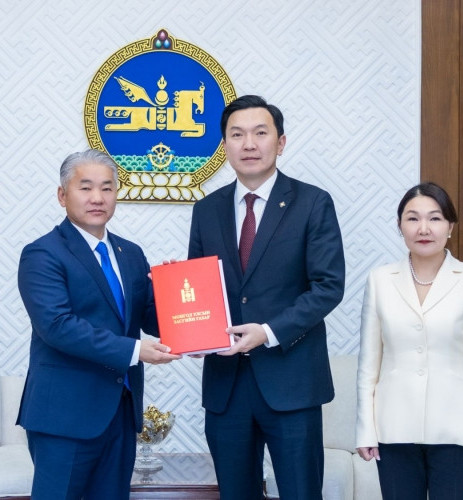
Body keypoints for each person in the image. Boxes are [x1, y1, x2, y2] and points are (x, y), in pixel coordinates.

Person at [188, 94, 345, 499]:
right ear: (225, 145)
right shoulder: (206, 210)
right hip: (226, 386)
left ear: (281, 142)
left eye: (260, 133)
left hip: (292, 382)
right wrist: (189, 324)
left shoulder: (312, 203)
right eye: (237, 135)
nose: (249, 144)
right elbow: (201, 290)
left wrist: (268, 332)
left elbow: (328, 286)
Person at [17, 149, 181, 500]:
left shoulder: (131, 253)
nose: (97, 198)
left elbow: (149, 317)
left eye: (107, 188)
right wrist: (136, 350)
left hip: (120, 413)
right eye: (86, 187)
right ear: (62, 195)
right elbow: (57, 325)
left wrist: (176, 296)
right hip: (64, 418)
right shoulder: (42, 253)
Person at [355, 182, 463, 500]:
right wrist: (365, 429)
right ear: (399, 225)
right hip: (393, 428)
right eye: (412, 218)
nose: (424, 228)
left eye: (434, 218)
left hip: (457, 429)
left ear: (450, 226)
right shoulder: (380, 280)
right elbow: (368, 366)